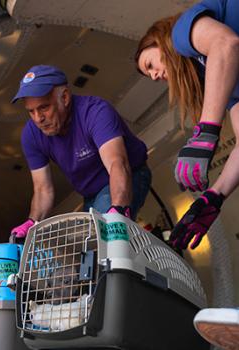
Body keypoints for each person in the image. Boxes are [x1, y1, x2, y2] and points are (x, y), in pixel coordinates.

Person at [135, 0, 239, 348]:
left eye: (149, 63)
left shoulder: (182, 32)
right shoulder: (229, 77)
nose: (153, 75)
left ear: (160, 42)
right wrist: (215, 197)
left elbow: (225, 42)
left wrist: (207, 131)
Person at [10, 64, 151, 238]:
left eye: (44, 107)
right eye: (31, 111)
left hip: (129, 175)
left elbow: (117, 163)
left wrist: (119, 210)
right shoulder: (31, 134)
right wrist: (32, 223)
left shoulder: (95, 112)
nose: (38, 118)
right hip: (90, 194)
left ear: (65, 97)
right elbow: (42, 189)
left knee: (105, 233)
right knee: (86, 243)